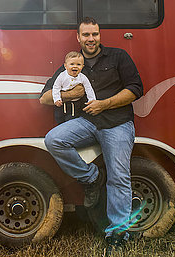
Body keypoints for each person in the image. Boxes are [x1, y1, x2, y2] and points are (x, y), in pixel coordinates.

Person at [39, 16, 143, 250]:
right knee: (54, 139)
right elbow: (45, 97)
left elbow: (136, 89)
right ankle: (92, 177)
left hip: (117, 123)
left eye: (94, 34)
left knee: (119, 176)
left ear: (99, 35)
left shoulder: (118, 57)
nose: (91, 39)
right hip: (87, 122)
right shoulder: (72, 64)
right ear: (78, 38)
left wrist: (104, 104)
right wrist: (69, 95)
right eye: (85, 35)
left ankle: (117, 233)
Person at [52, 51, 96, 123]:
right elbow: (56, 87)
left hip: (75, 104)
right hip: (62, 103)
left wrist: (92, 100)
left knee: (72, 120)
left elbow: (89, 88)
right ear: (65, 66)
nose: (75, 66)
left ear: (82, 66)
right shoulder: (62, 76)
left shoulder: (83, 77)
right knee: (59, 118)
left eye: (78, 64)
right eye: (72, 64)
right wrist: (56, 99)